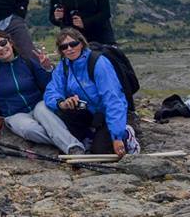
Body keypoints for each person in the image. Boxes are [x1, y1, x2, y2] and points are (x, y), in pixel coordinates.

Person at [0, 31, 83, 154]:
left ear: (10, 42)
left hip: (38, 105)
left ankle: (74, 148)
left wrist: (47, 68)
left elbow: (47, 84)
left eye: (3, 43)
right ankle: (68, 141)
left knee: (46, 115)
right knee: (30, 130)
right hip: (14, 114)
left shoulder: (27, 61)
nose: (1, 48)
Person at [44, 28, 139, 157]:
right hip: (87, 114)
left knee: (100, 151)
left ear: (81, 43)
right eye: (64, 47)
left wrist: (117, 137)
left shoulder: (98, 63)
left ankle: (126, 134)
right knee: (64, 111)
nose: (69, 49)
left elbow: (113, 99)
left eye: (73, 44)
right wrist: (61, 103)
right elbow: (52, 91)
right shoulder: (64, 66)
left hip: (106, 114)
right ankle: (91, 133)